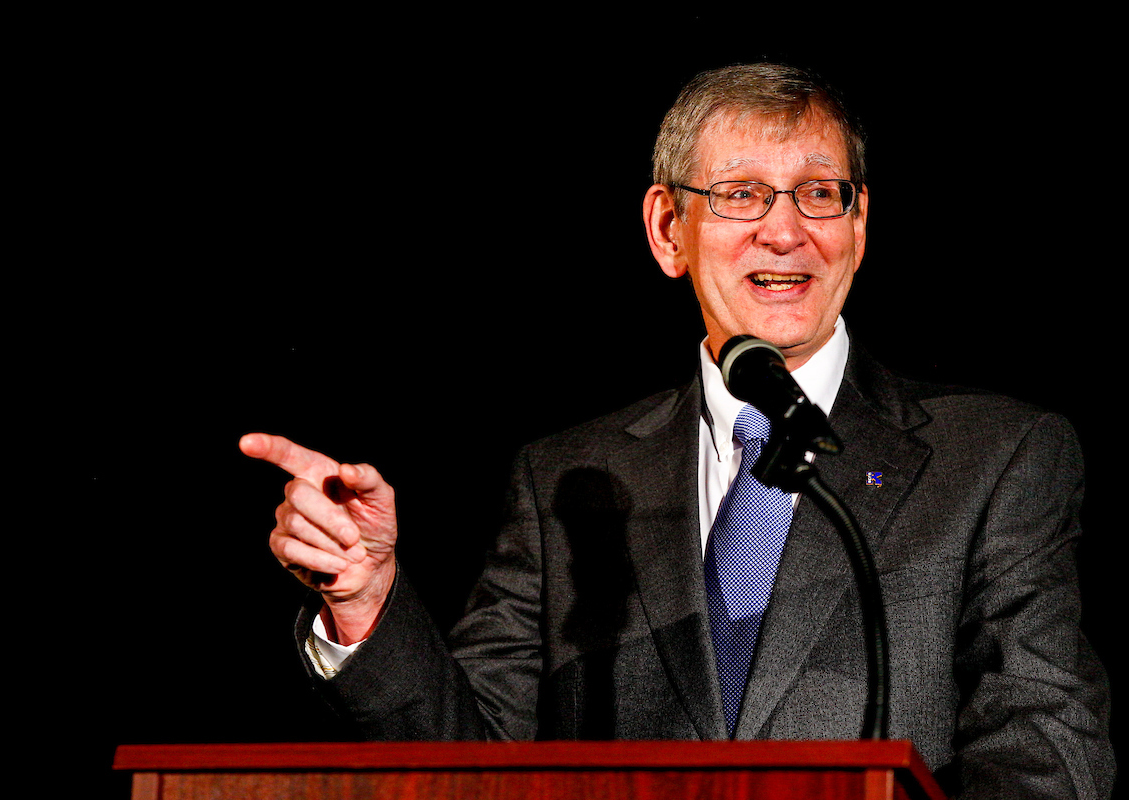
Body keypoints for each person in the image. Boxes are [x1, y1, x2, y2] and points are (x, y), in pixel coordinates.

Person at [239, 63, 1113, 798]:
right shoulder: (566, 480)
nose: (787, 229)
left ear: (859, 224)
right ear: (668, 229)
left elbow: (1047, 743)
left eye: (819, 193)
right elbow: (473, 773)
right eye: (741, 195)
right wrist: (364, 603)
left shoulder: (996, 457)